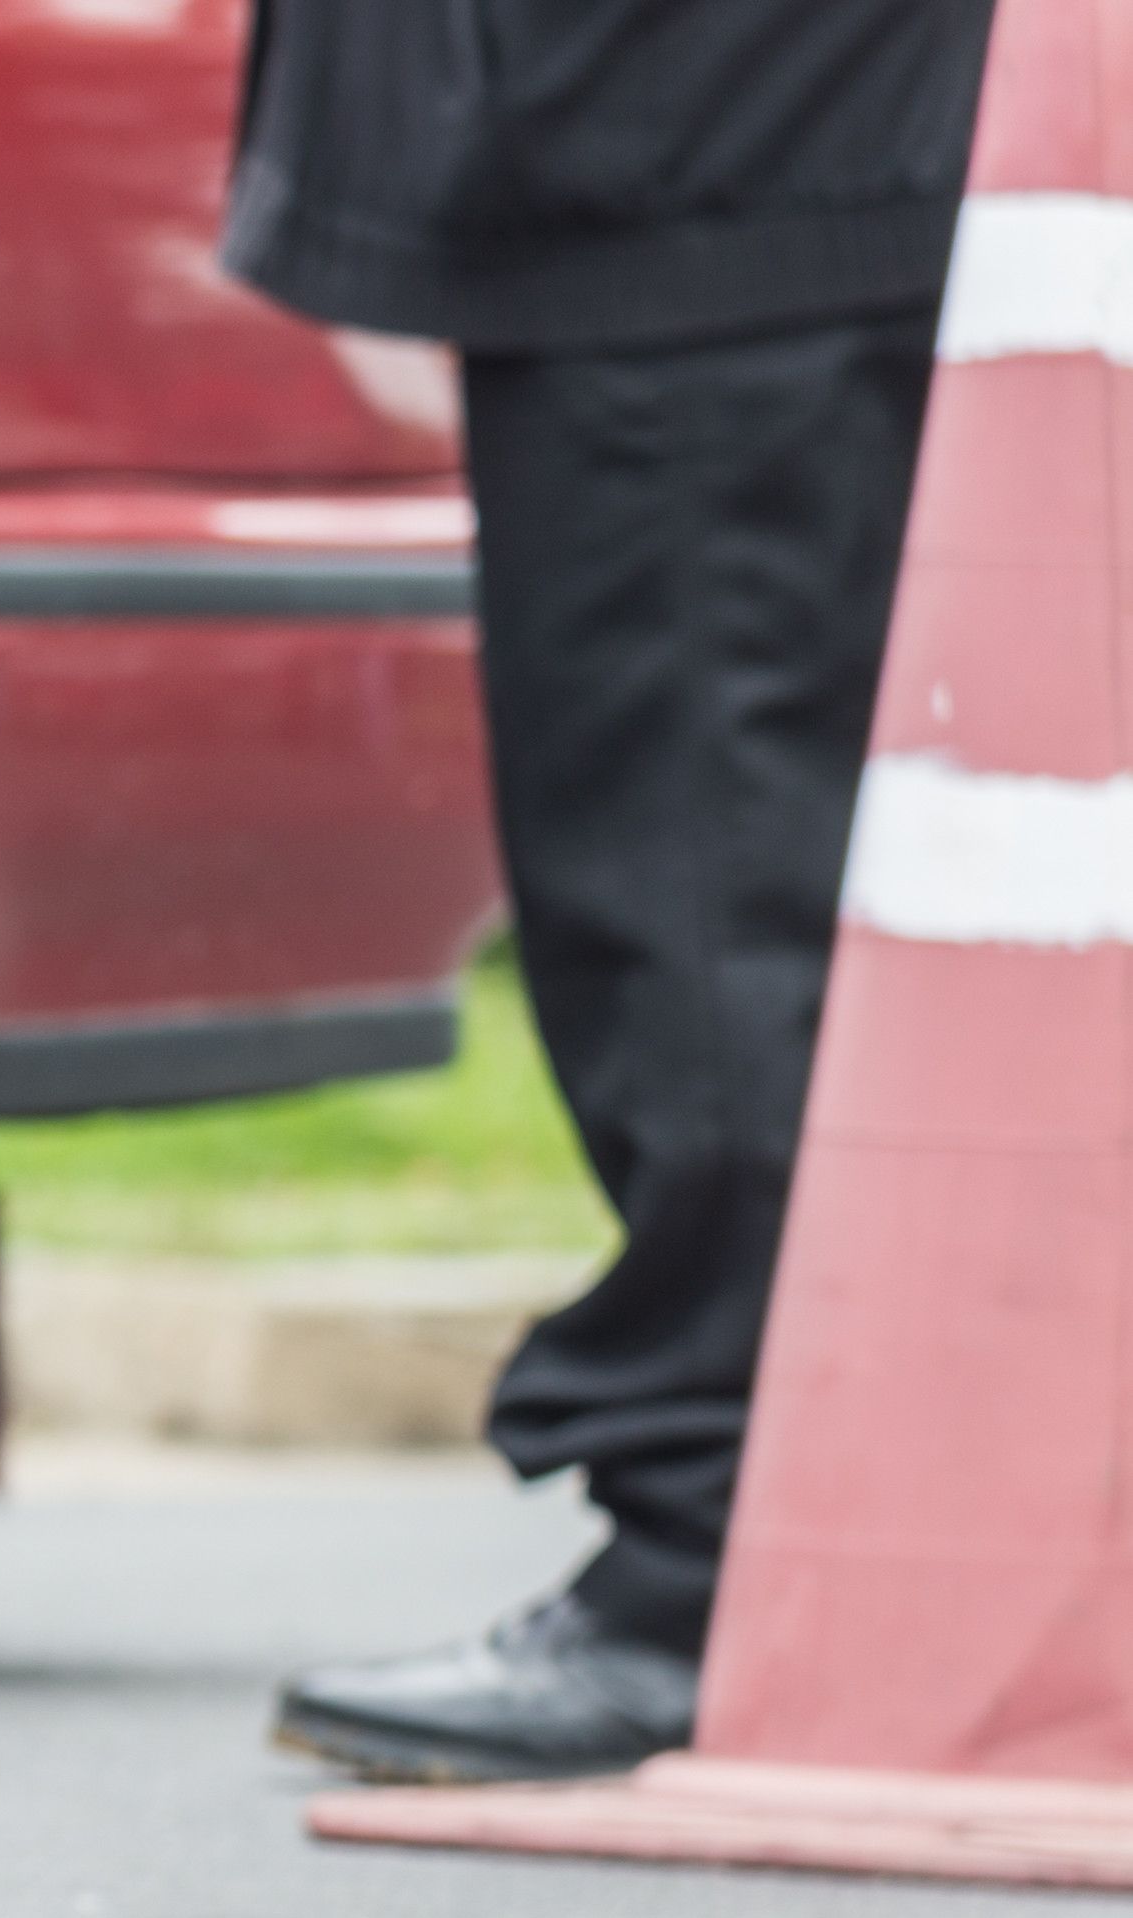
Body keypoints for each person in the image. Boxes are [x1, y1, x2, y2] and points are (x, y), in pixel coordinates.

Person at [230, 0, 1004, 1781]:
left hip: (703, 147)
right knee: (757, 863)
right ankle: (799, 1528)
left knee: (701, 879)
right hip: (721, 142)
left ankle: (725, 1571)